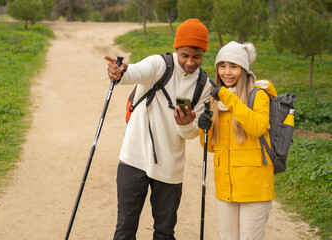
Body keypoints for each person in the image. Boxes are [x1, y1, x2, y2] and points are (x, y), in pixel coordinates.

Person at [104, 19, 212, 240]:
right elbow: (134, 72)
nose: (191, 62)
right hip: (134, 159)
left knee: (164, 233)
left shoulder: (204, 85)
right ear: (176, 49)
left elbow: (192, 133)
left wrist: (185, 125)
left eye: (197, 56)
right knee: (125, 229)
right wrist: (121, 72)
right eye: (185, 55)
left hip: (170, 167)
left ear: (203, 53)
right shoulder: (159, 64)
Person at [198, 41, 277, 240]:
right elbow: (210, 147)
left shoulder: (258, 95)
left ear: (243, 69)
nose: (227, 72)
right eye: (222, 66)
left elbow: (258, 127)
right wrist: (203, 127)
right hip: (226, 187)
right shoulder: (215, 98)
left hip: (255, 189)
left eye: (233, 66)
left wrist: (227, 98)